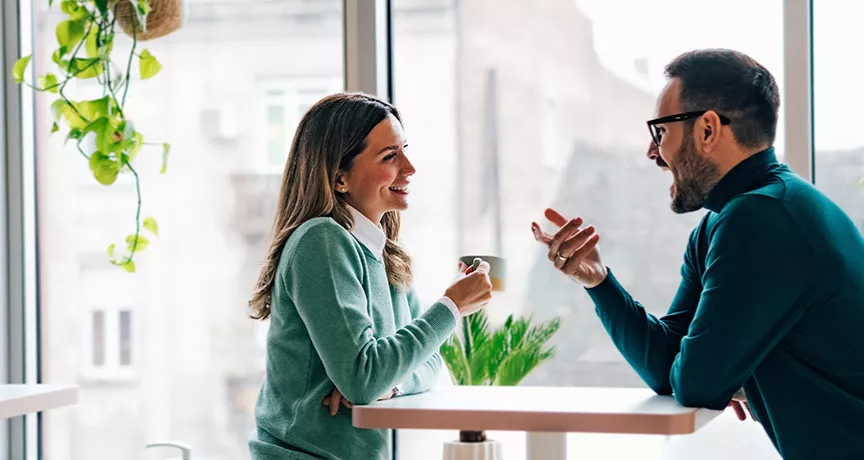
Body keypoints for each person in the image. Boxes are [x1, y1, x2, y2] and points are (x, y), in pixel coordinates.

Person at [532, 49, 864, 459]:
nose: (652, 153)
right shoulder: (730, 221)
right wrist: (599, 282)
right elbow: (668, 368)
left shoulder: (762, 218)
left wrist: (731, 371)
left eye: (660, 133)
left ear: (708, 129)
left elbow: (697, 383)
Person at [248, 93, 493, 460]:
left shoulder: (386, 254)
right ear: (339, 177)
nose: (409, 168)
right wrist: (451, 306)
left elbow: (428, 364)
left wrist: (388, 386)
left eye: (404, 150)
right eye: (390, 156)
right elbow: (364, 378)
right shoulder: (322, 241)